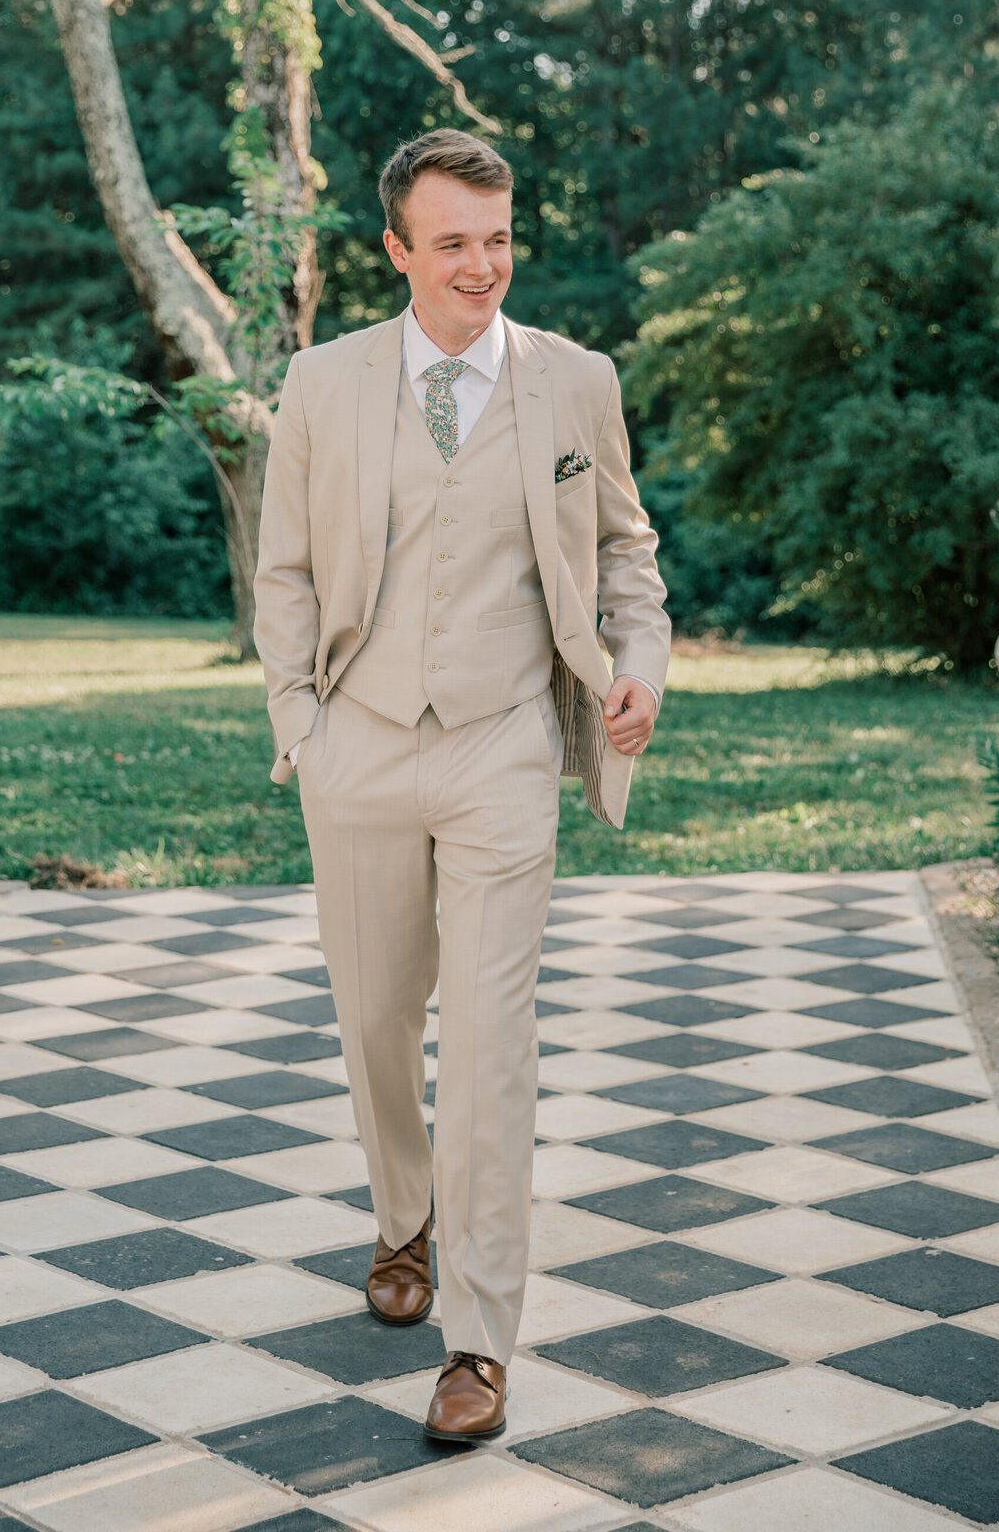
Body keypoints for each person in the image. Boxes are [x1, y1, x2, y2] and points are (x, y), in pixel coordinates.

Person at [253, 128, 670, 1441]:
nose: (482, 266)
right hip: (361, 743)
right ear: (397, 251)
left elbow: (625, 551)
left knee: (490, 1047)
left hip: (502, 746)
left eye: (497, 239)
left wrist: (640, 662)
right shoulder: (321, 384)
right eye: (452, 244)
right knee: (377, 1021)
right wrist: (302, 725)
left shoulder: (574, 381)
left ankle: (479, 1342)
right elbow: (285, 577)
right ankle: (403, 1219)